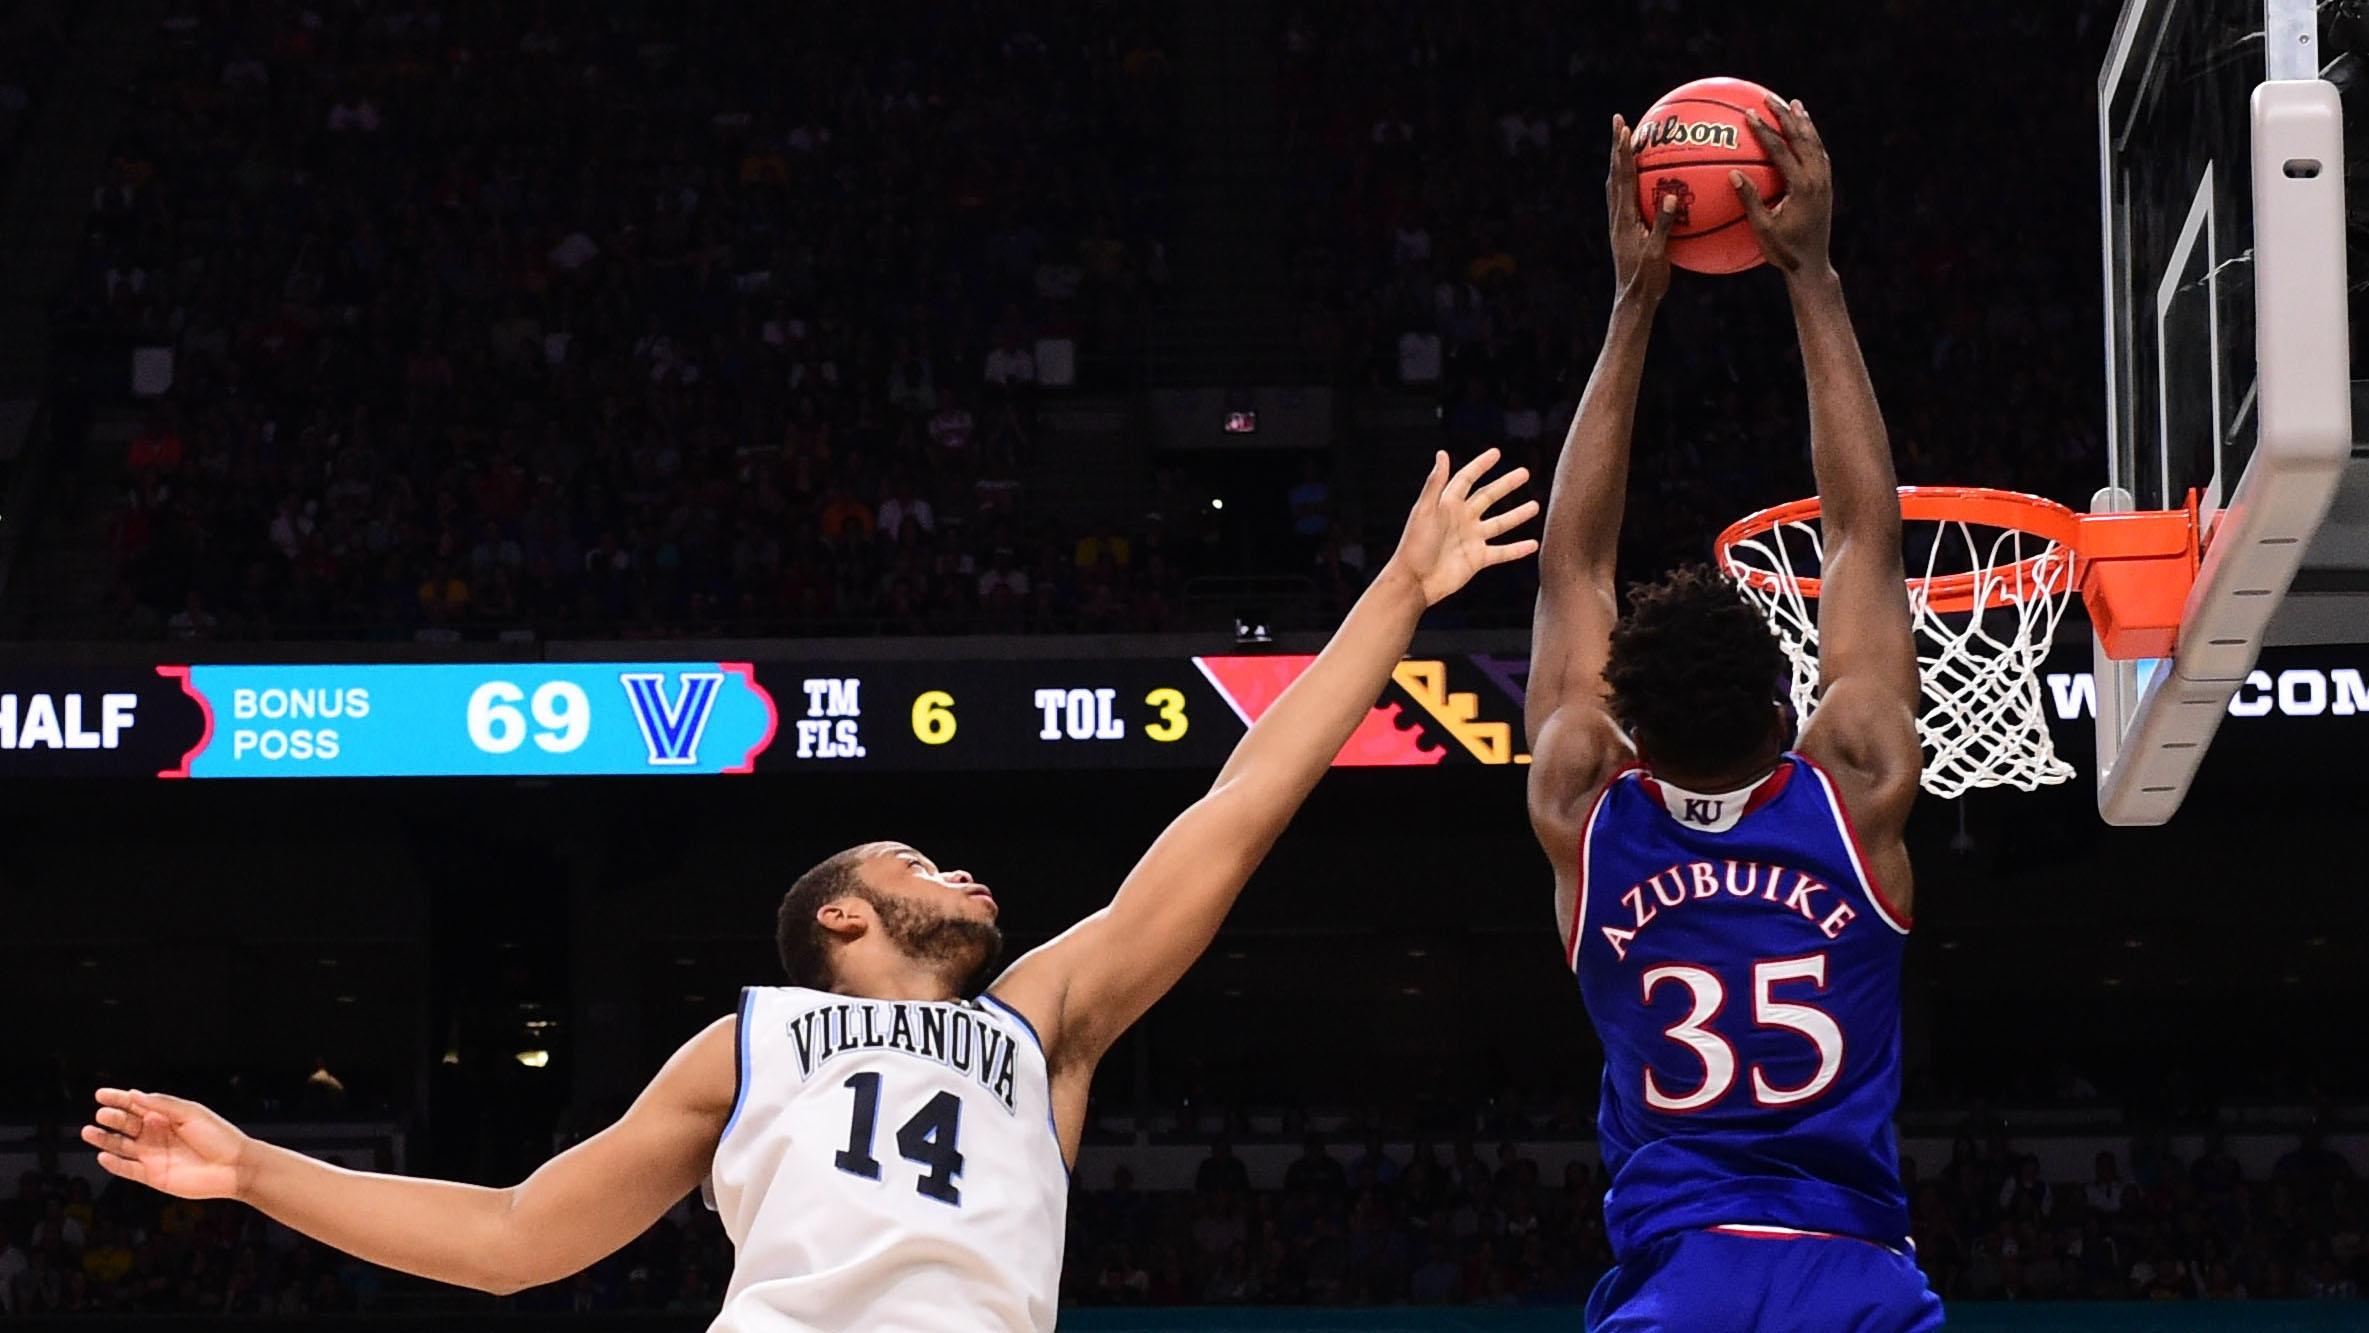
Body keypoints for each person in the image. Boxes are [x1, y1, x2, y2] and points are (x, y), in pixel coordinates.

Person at [82, 451, 1539, 1333]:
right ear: (839, 916)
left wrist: (1401, 591)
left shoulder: (1045, 1022)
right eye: (915, 863)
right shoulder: (748, 1041)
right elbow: (520, 1240)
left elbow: (1241, 802)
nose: (964, 873)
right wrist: (257, 1168)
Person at [1523, 98, 1941, 1330]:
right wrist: (1810, 277)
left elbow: (1570, 568)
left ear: (1624, 725)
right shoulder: (1855, 784)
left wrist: (1630, 304)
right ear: (1787, 698)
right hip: (1853, 1271)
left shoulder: (1579, 802)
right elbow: (1863, 532)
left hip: (1679, 1277)